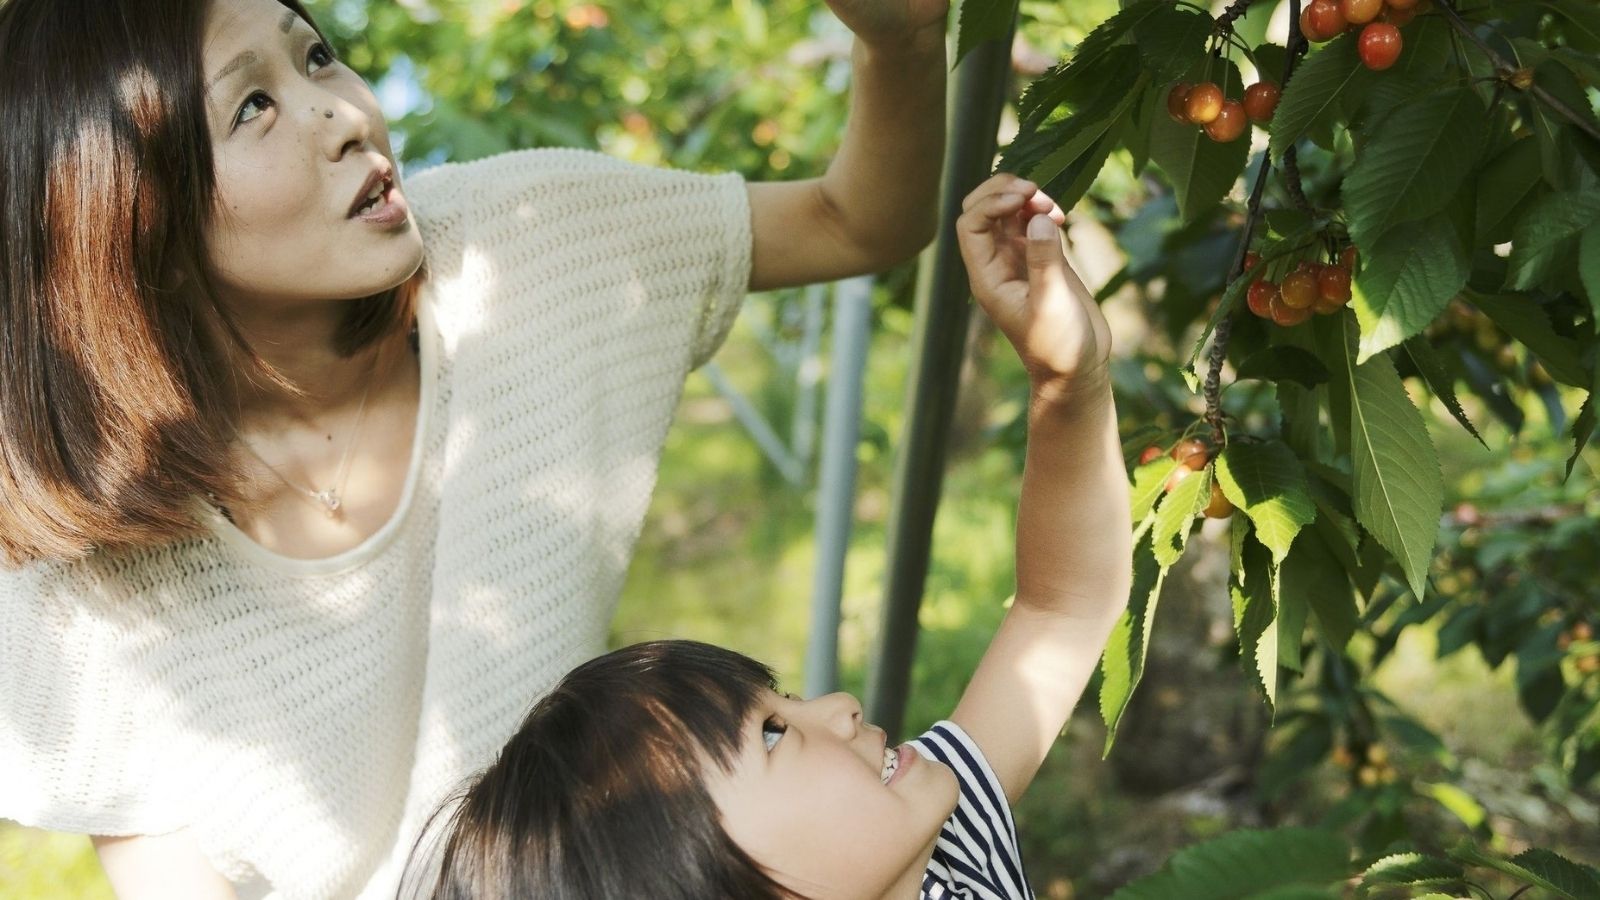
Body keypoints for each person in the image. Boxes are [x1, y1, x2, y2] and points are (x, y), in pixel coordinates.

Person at [0, 0, 958, 896]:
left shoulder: (527, 249)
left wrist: (903, 45)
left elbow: (856, 220)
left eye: (318, 57)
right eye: (253, 105)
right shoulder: (81, 581)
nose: (342, 114)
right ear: (122, 214)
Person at [404, 176, 1132, 900]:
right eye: (775, 736)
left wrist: (1067, 381)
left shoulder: (945, 851)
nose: (841, 705)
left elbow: (1061, 607)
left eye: (782, 704)